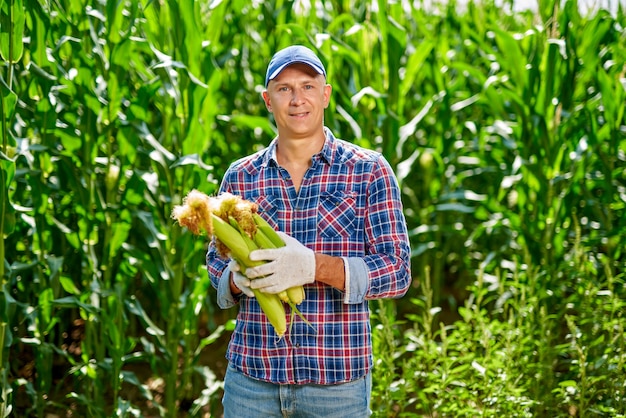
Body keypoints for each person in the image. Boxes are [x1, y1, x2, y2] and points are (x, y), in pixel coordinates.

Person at [206, 44, 411, 417]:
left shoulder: (368, 171)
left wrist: (314, 267)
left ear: (326, 95)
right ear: (268, 101)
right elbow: (215, 263)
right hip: (253, 380)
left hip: (337, 386)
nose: (297, 99)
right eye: (284, 89)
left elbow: (397, 271)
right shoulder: (241, 176)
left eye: (308, 86)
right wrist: (237, 280)